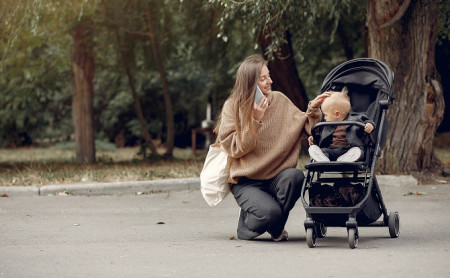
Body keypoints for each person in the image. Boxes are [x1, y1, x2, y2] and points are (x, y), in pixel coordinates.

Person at [215, 54, 329, 241]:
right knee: (271, 214)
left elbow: (308, 128)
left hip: (277, 177)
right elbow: (236, 149)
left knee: (296, 176)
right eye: (263, 78)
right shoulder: (232, 107)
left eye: (268, 76)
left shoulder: (278, 100)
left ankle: (271, 220)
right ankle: (249, 226)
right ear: (250, 83)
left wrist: (313, 109)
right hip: (246, 181)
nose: (270, 81)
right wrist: (256, 120)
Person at [307, 87, 375, 162]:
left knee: (358, 151)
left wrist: (370, 125)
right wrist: (314, 138)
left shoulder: (356, 118)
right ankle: (323, 159)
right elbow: (320, 135)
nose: (325, 118)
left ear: (337, 114)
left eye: (326, 115)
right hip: (331, 150)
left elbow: (367, 121)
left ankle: (347, 159)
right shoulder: (326, 124)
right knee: (322, 151)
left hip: (349, 149)